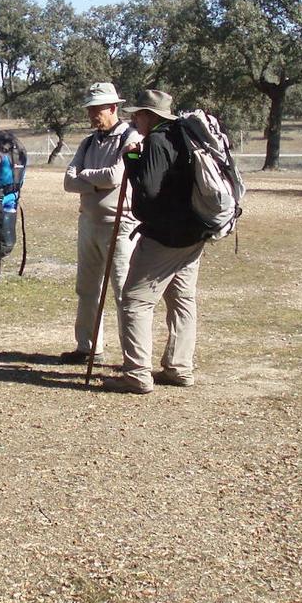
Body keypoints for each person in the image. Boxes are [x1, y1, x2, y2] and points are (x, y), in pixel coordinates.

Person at [103, 88, 208, 394]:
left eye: (138, 114)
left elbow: (147, 193)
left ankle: (136, 374)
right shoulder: (185, 137)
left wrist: (133, 162)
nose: (134, 119)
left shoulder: (158, 141)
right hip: (195, 233)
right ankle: (179, 368)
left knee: (135, 301)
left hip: (166, 236)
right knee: (182, 301)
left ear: (150, 116)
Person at [61, 82, 141, 365]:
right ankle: (87, 347)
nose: (93, 114)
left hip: (120, 226)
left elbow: (114, 177)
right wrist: (91, 182)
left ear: (113, 108)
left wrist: (86, 177)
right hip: (89, 223)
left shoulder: (130, 137)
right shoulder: (89, 141)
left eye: (98, 109)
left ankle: (133, 358)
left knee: (123, 292)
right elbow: (68, 181)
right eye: (90, 109)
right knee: (87, 289)